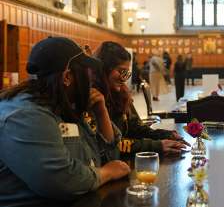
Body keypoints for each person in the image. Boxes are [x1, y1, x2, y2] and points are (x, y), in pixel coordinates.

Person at [0, 37, 130, 206]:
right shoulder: (25, 116)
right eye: (85, 74)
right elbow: (62, 181)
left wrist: (101, 112)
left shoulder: (64, 105)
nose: (90, 80)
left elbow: (109, 158)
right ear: (68, 77)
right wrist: (106, 173)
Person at [93, 41, 189, 157]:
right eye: (121, 71)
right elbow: (114, 145)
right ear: (104, 69)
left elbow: (134, 127)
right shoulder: (93, 98)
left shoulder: (120, 94)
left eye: (127, 73)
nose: (124, 78)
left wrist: (163, 135)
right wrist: (157, 146)